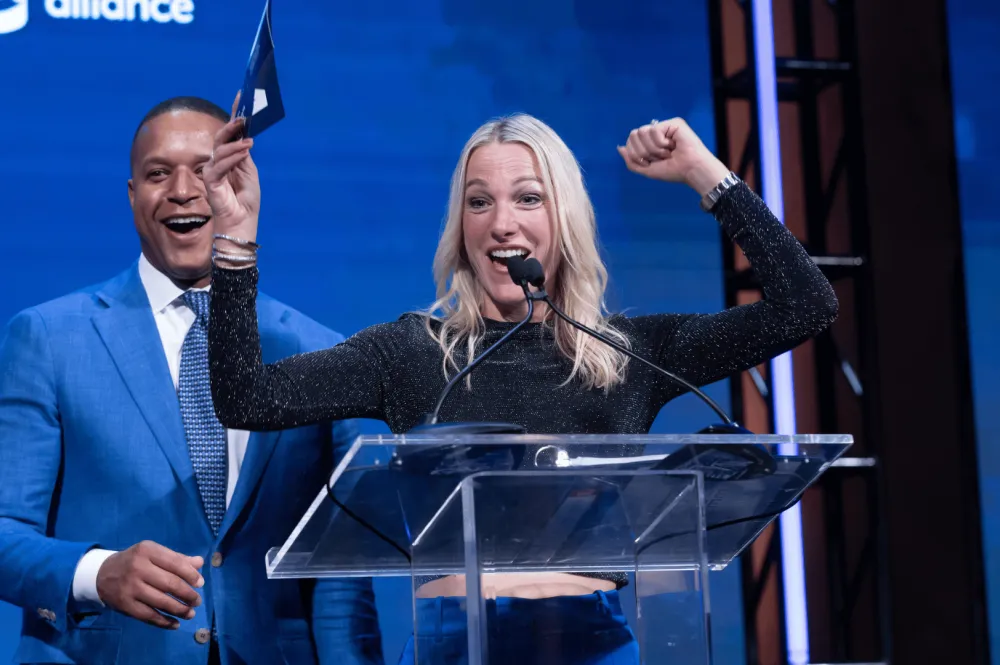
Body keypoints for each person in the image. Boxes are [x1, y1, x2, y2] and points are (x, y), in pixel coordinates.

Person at [203, 111, 838, 664]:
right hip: (453, 645)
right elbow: (247, 398)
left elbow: (806, 305)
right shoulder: (410, 351)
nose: (501, 223)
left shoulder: (630, 353)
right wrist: (234, 242)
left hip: (593, 645)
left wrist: (707, 175)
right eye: (479, 202)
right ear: (461, 227)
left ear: (565, 217)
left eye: (528, 198)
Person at [0, 96, 382, 665]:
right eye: (159, 173)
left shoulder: (318, 351)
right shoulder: (48, 339)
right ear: (133, 197)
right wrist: (97, 572)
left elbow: (339, 578)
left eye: (206, 170)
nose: (184, 189)